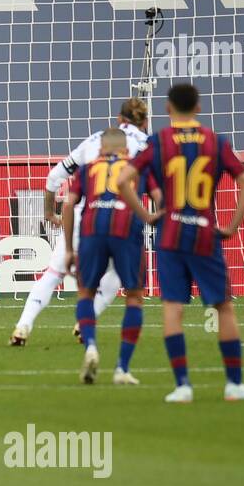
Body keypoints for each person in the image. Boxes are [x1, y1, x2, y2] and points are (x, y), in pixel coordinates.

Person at [117, 83, 244, 403]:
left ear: (168, 109)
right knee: (223, 306)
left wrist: (147, 214)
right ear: (198, 107)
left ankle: (182, 385)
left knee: (172, 308)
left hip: (169, 234)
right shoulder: (215, 142)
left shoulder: (158, 142)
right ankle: (234, 384)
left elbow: (122, 180)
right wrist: (232, 226)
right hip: (205, 234)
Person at [11, 98, 150, 346]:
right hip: (123, 221)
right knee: (117, 276)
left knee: (55, 273)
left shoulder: (97, 139)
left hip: (86, 217)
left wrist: (48, 213)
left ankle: (23, 325)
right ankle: (85, 323)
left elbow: (55, 177)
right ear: (145, 122)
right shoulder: (149, 146)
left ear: (119, 120)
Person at [62, 129, 160, 385]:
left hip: (92, 230)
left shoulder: (87, 168)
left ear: (101, 148)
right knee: (135, 297)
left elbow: (68, 204)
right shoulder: (138, 167)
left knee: (85, 292)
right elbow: (160, 200)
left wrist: (69, 249)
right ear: (126, 149)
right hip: (126, 229)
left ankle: (91, 347)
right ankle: (122, 369)